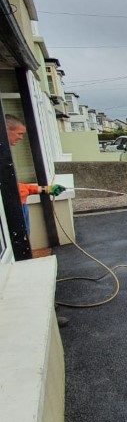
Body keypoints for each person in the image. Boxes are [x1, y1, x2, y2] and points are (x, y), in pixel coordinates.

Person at [5, 115, 68, 326]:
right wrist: (41, 189)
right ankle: (34, 312)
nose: (21, 138)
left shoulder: (5, 154)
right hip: (11, 216)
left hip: (19, 207)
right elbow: (10, 188)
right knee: (18, 257)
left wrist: (42, 189)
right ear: (7, 130)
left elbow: (15, 185)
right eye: (19, 134)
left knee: (25, 251)